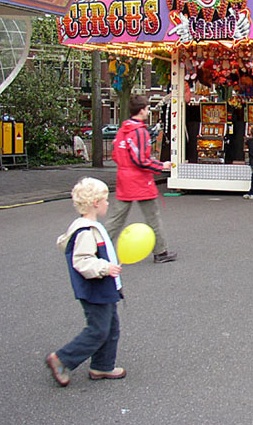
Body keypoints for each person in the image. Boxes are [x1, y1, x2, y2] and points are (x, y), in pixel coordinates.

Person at [46, 177, 125, 387]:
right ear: (96, 203)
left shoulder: (92, 226)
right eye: (106, 200)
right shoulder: (85, 231)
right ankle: (62, 359)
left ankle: (102, 365)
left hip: (104, 287)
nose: (109, 204)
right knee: (98, 329)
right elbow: (82, 261)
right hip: (95, 289)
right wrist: (105, 268)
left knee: (111, 328)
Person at [106, 96, 177, 264]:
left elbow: (116, 155)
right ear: (142, 110)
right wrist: (162, 166)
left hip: (124, 179)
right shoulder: (140, 132)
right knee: (152, 217)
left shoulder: (123, 130)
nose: (148, 111)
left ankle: (98, 248)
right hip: (140, 181)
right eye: (147, 108)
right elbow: (141, 160)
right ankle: (160, 251)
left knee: (116, 219)